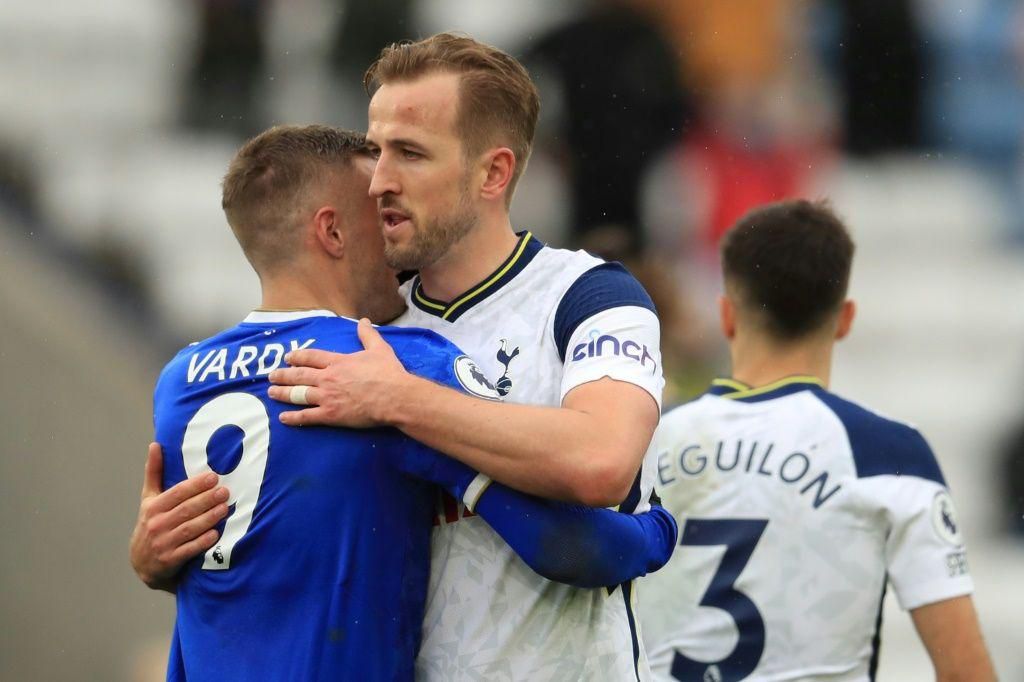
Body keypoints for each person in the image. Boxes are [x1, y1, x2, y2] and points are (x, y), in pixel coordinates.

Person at [140, 124, 677, 680]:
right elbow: (566, 547)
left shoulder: (181, 380)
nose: (396, 235)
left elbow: (196, 568)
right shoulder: (387, 366)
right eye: (379, 215)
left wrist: (149, 562)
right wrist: (656, 531)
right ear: (333, 232)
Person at [267, 33, 665, 679]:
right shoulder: (357, 325)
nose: (379, 183)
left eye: (410, 154)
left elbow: (601, 460)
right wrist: (166, 559)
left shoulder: (588, 297)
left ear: (493, 173)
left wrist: (400, 400)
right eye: (375, 151)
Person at [636, 199, 996, 681]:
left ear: (727, 316)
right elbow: (965, 673)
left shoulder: (645, 441)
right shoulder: (888, 453)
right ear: (845, 319)